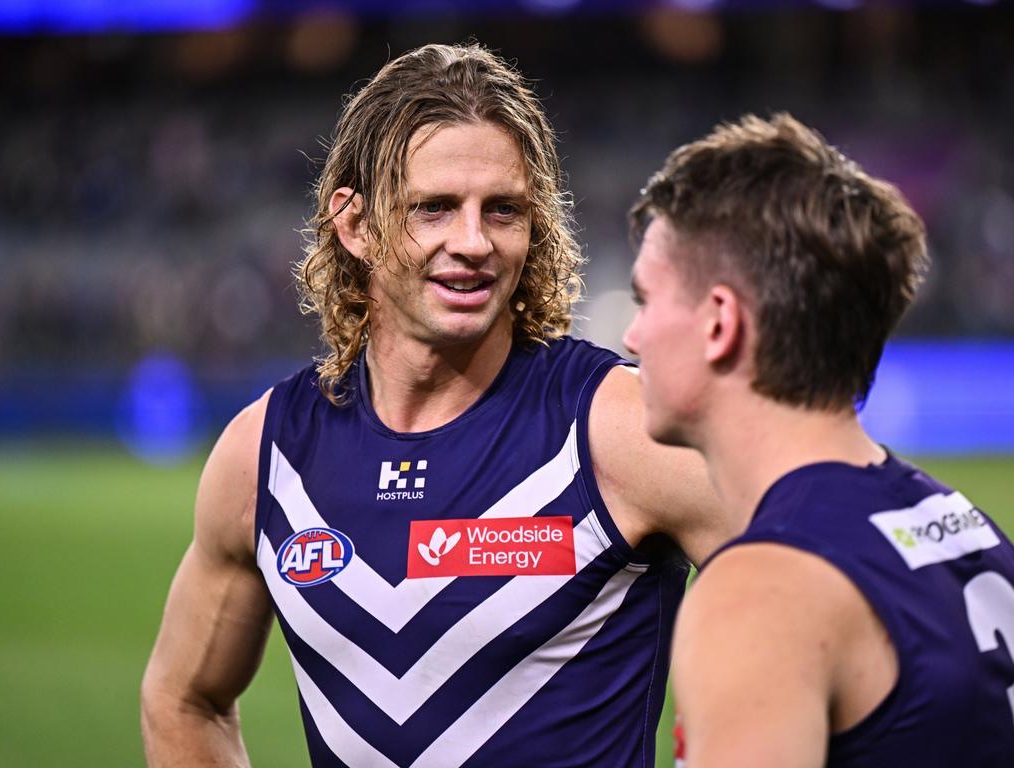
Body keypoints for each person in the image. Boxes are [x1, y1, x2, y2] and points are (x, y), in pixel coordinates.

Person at [141, 43, 732, 768]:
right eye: (435, 208)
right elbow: (181, 700)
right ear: (353, 225)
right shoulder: (265, 457)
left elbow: (831, 589)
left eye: (504, 210)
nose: (474, 242)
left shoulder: (623, 429)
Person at [624, 112, 1014, 767]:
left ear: (720, 322)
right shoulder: (963, 526)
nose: (632, 338)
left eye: (646, 300)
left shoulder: (761, 592)